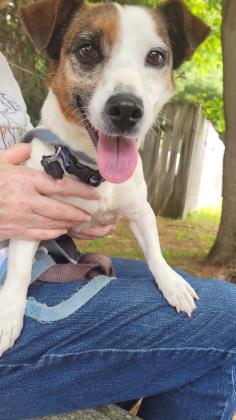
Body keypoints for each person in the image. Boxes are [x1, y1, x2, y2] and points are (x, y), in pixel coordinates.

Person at [0, 40, 235, 420]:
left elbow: (35, 167)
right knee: (227, 316)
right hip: (12, 280)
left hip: (48, 258)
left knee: (189, 288)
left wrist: (68, 207)